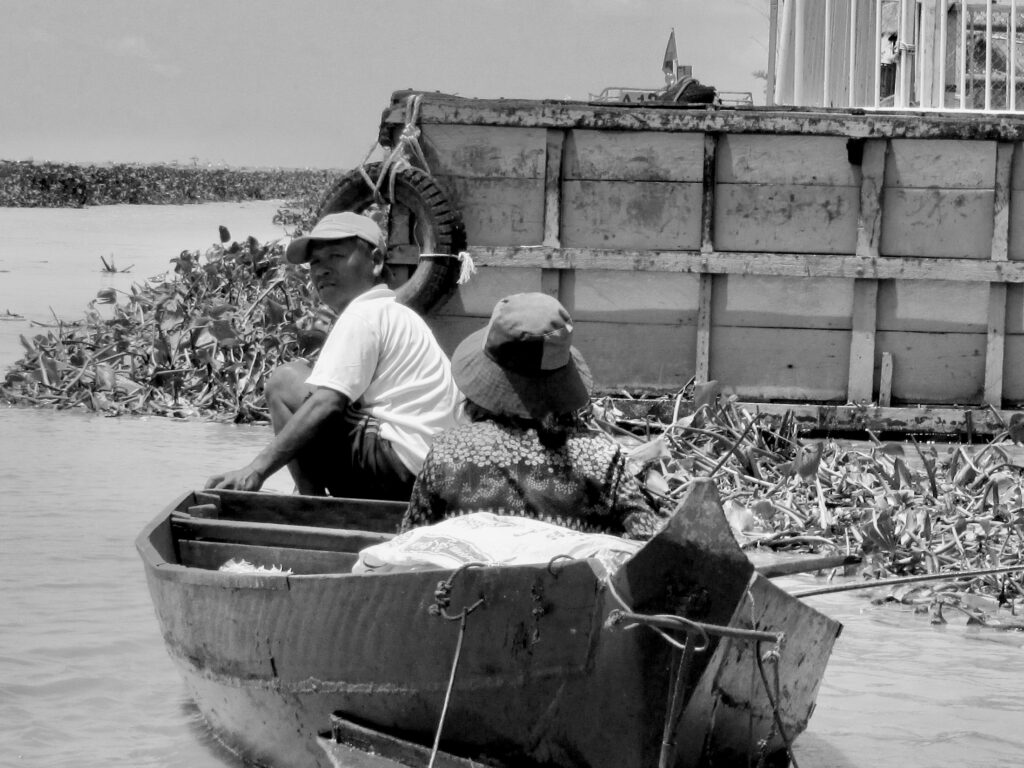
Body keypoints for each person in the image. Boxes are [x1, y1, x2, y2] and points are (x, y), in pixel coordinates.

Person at [205, 212, 463, 500]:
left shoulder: (363, 314)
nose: (322, 270)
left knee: (283, 381)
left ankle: (311, 505)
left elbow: (327, 403)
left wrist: (256, 470)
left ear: (376, 262)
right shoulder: (398, 313)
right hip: (434, 475)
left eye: (336, 256)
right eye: (315, 262)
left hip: (398, 469)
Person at [401, 292, 664, 539]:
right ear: (561, 383)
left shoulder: (447, 454)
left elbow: (408, 547)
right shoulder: (602, 458)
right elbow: (648, 543)